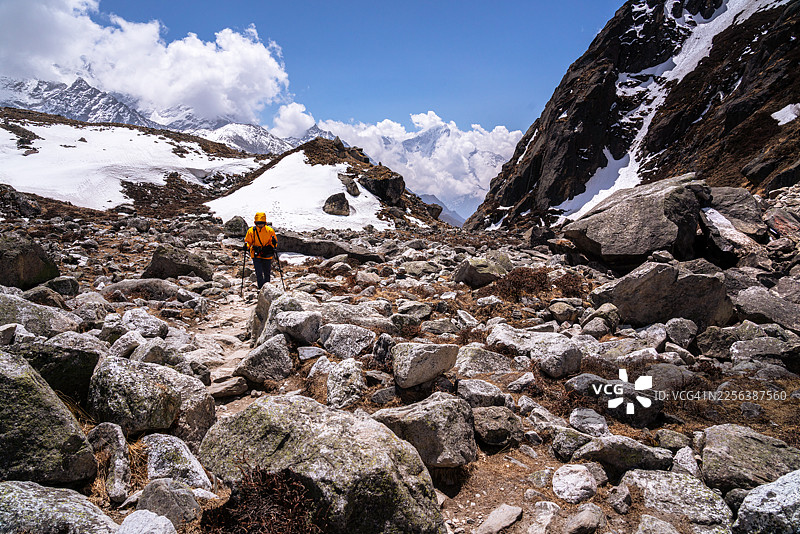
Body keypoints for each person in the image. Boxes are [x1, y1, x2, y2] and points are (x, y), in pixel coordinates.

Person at [243, 212, 278, 289]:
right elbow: (248, 241)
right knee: (258, 272)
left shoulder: (269, 230)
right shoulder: (251, 231)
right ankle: (260, 287)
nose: (260, 225)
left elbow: (273, 242)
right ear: (255, 223)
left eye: (262, 223)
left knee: (267, 272)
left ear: (265, 222)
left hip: (267, 253)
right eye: (258, 223)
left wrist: (273, 244)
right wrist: (247, 246)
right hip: (255, 254)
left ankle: (267, 288)